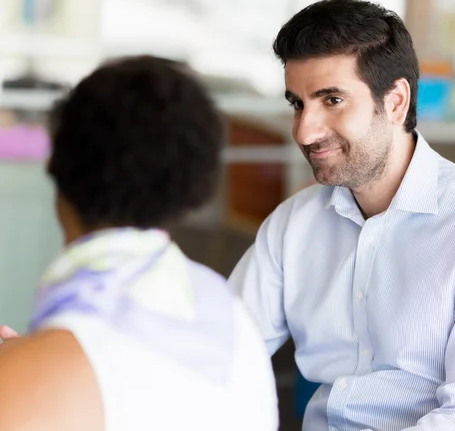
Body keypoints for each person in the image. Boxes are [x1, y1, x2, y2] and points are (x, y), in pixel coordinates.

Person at [228, 0, 455, 431]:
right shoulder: (293, 223)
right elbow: (223, 349)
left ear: (395, 102)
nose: (304, 130)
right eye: (298, 104)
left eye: (332, 99)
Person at [0, 56, 278, 431]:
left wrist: (28, 365)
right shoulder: (234, 319)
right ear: (195, 189)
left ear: (56, 175)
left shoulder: (52, 364)